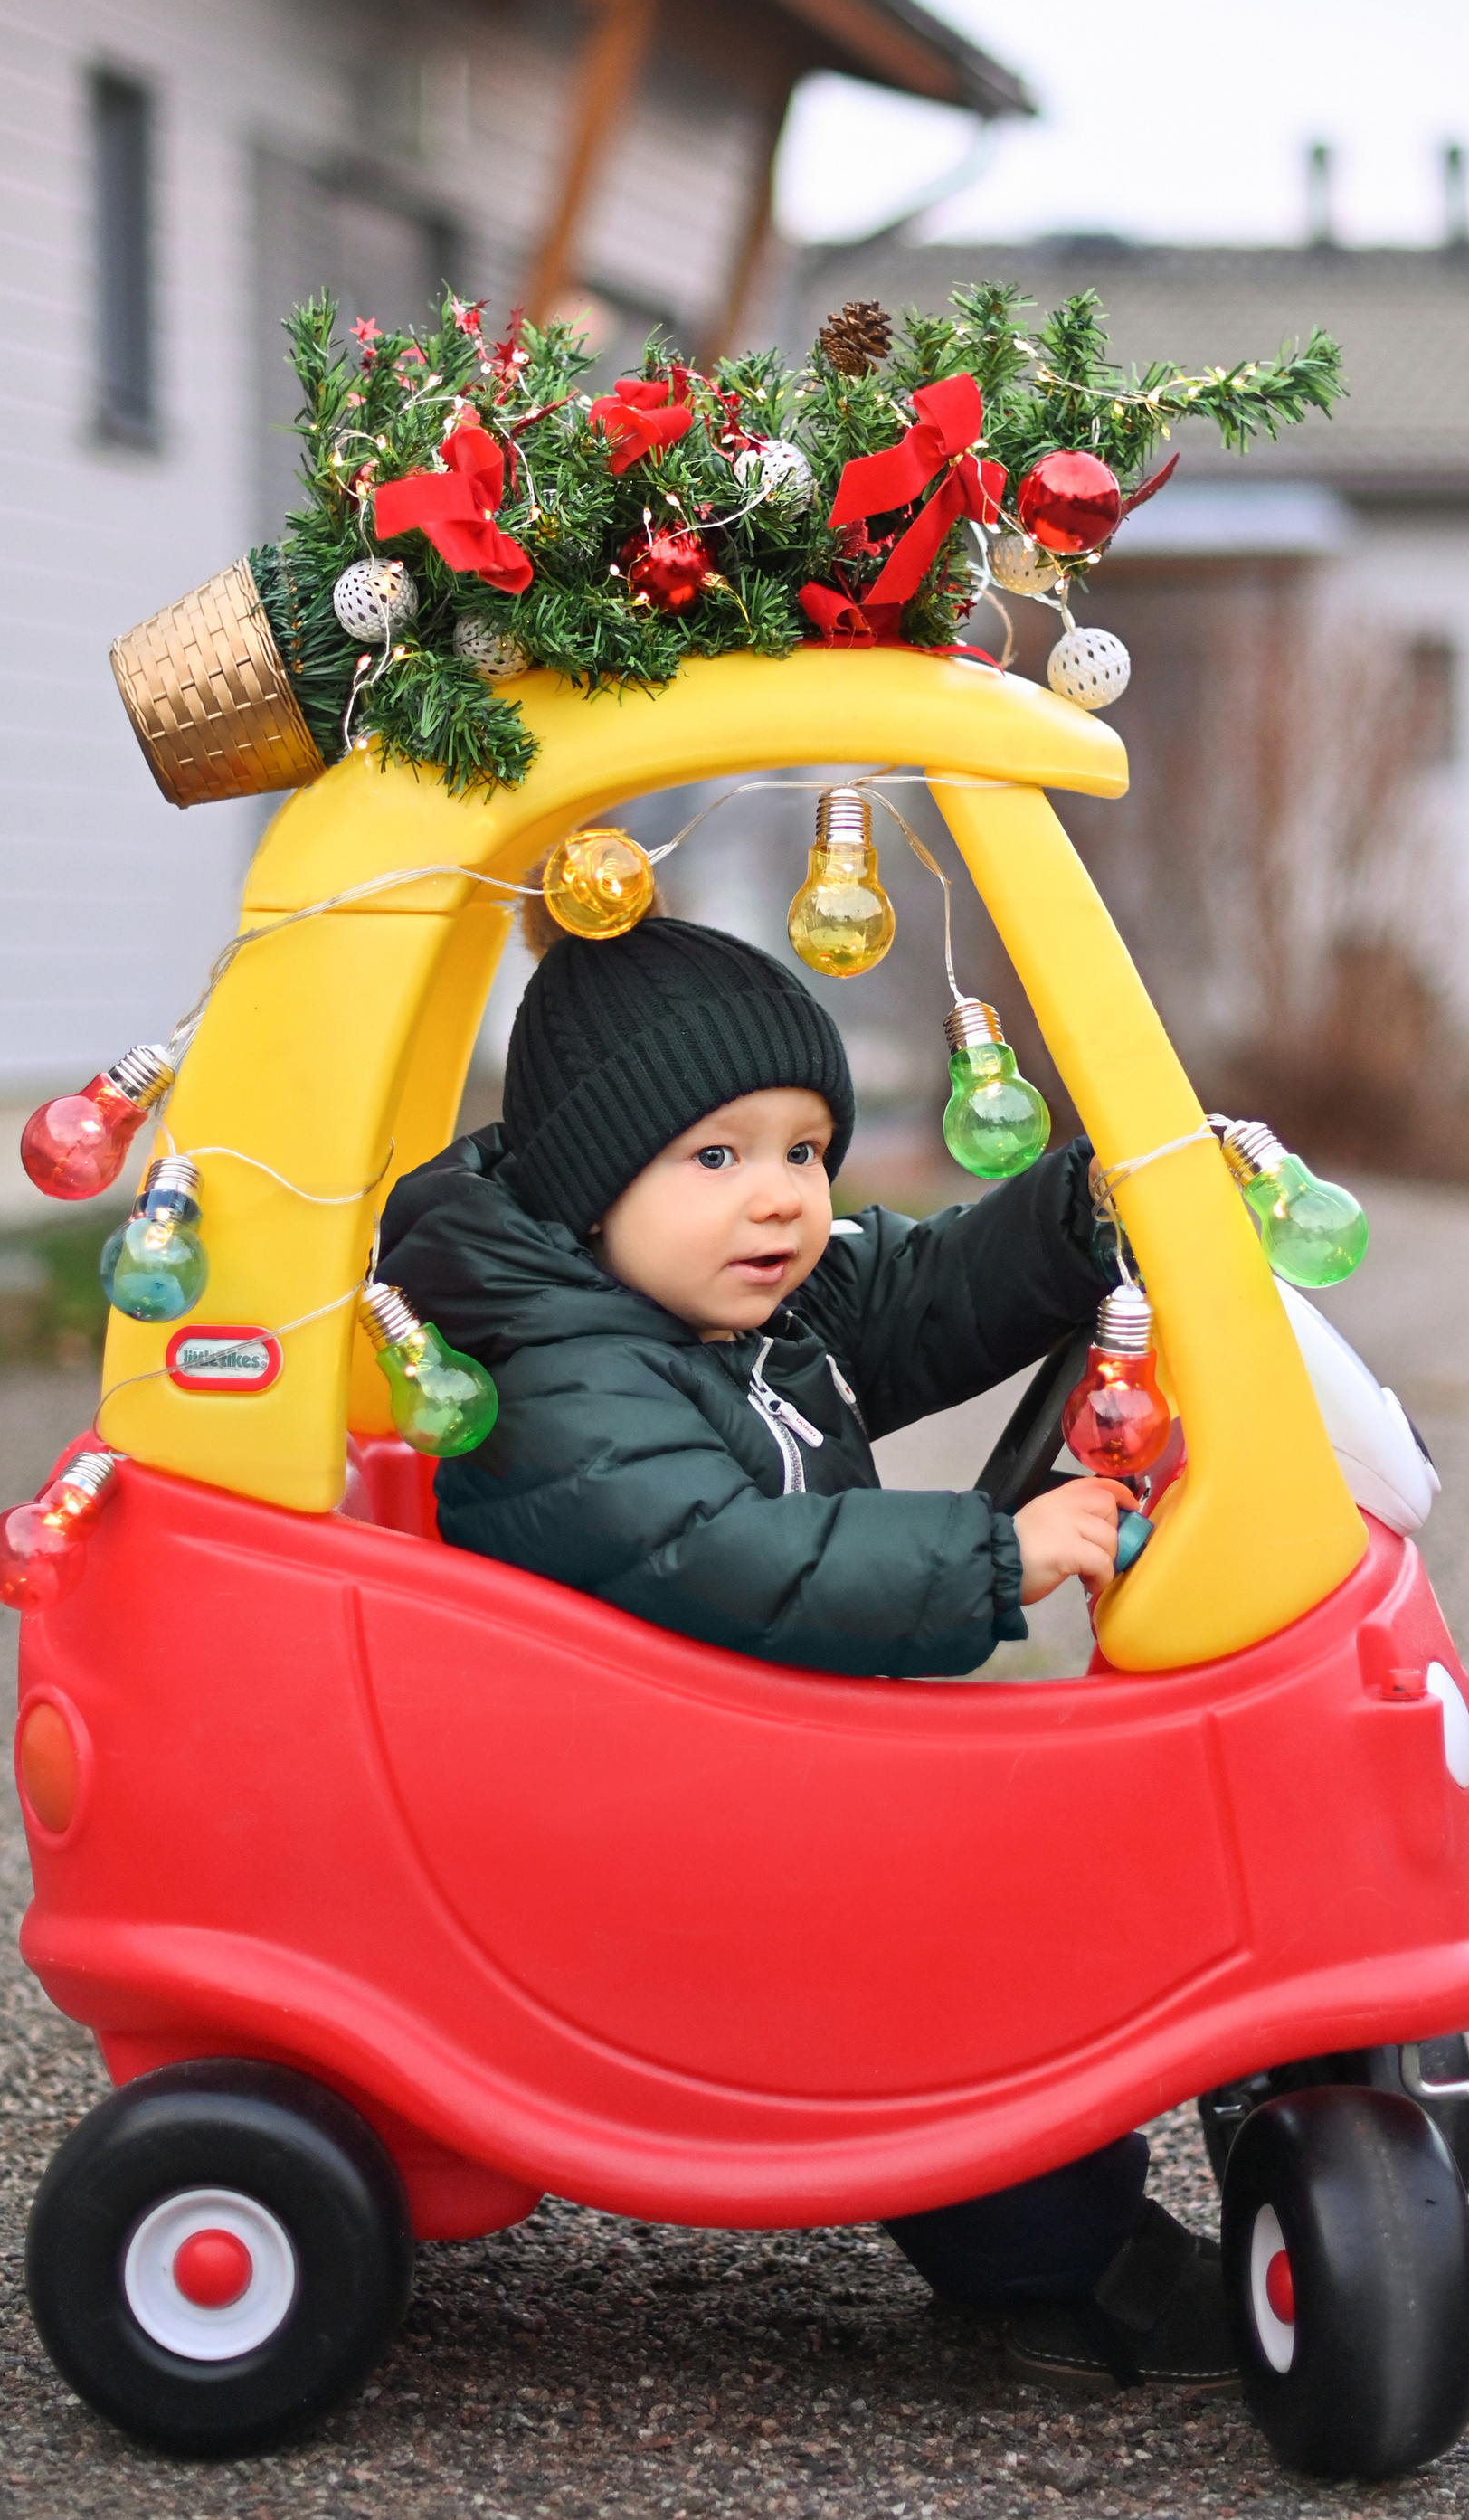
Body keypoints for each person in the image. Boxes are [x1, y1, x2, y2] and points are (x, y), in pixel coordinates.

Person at [376, 906, 1238, 2394]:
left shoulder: (720, 1313)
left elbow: (912, 1297)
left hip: (754, 1775)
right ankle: (1050, 2252)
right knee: (946, 1967)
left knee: (1023, 1862)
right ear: (595, 1184)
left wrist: (1091, 1213)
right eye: (715, 1158)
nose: (777, 1200)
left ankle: (1080, 2183)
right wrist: (993, 1552)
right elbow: (724, 1556)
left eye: (803, 1149)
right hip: (646, 1841)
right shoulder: (565, 1383)